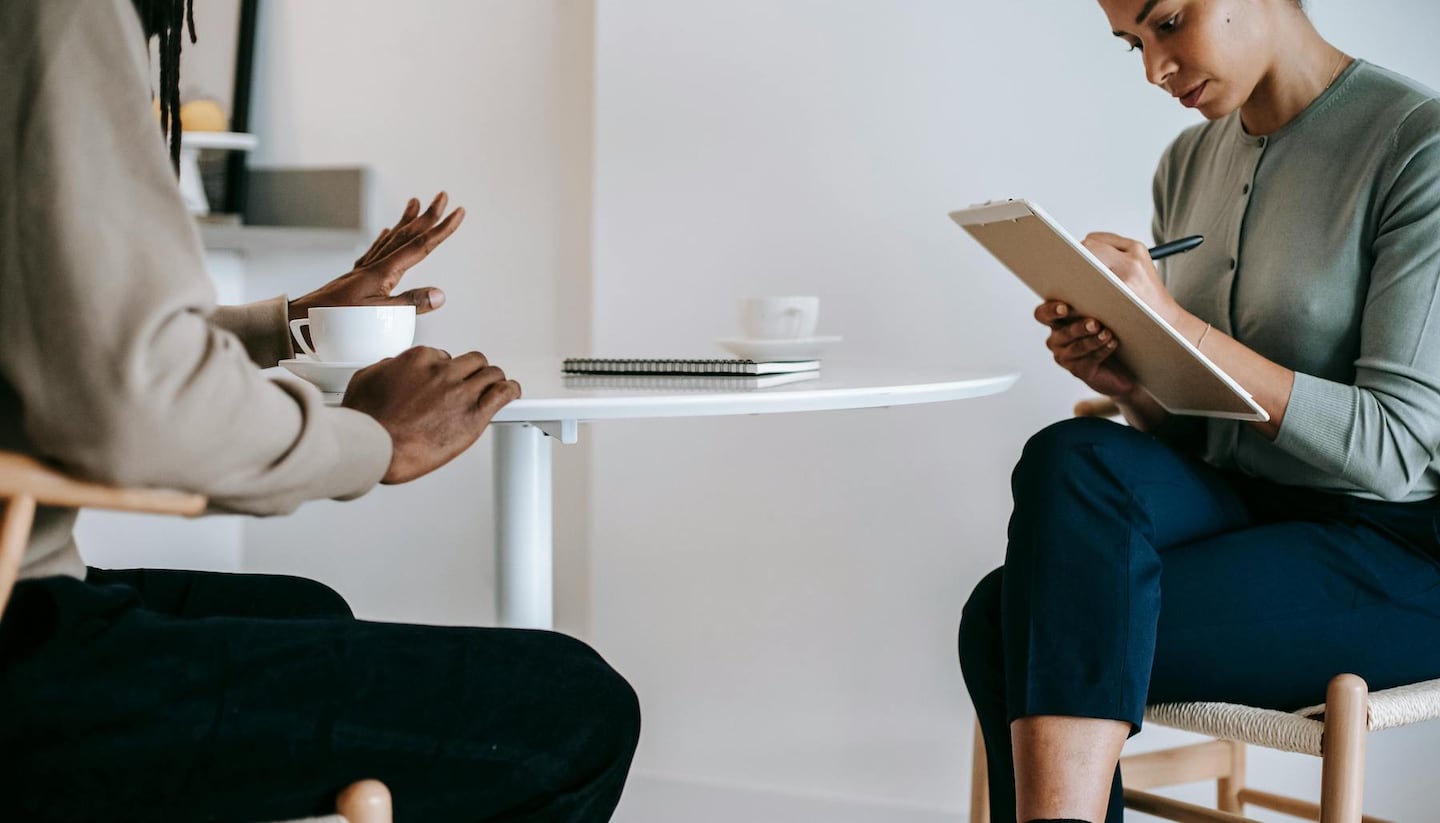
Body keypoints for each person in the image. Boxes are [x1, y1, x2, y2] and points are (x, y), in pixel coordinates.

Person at [0, 1, 639, 821]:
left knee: (306, 611)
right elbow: (131, 411)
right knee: (577, 707)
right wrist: (373, 440)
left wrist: (293, 321)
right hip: (21, 642)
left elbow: (74, 348)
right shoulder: (57, 12)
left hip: (32, 574)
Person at [957, 1, 1440, 821]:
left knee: (1005, 620)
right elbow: (1207, 429)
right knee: (1070, 454)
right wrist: (1131, 379)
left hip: (1393, 547)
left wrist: (1178, 324)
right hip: (1248, 504)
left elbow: (1395, 451)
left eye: (1169, 22)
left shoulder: (1416, 145)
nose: (1154, 68)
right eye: (1131, 43)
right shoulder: (1186, 164)